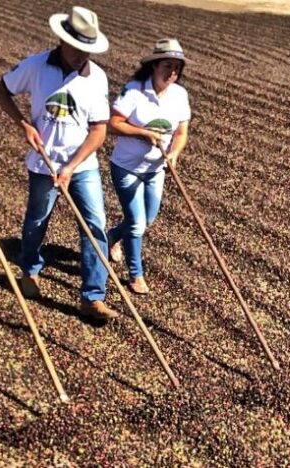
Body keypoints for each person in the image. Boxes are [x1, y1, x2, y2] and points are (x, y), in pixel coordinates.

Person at [0, 6, 117, 321]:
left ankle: (92, 297)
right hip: (43, 164)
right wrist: (24, 124)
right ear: (61, 40)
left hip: (82, 165)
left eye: (87, 49)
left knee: (94, 226)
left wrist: (72, 167)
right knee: (37, 221)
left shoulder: (96, 77)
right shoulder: (35, 66)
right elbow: (0, 89)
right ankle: (30, 270)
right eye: (76, 47)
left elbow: (99, 130)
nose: (81, 55)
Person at [107, 38, 191, 294]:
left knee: (147, 219)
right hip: (127, 166)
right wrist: (142, 133)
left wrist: (175, 153)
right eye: (167, 65)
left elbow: (181, 132)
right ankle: (136, 275)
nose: (172, 72)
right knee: (136, 223)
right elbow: (113, 123)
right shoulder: (134, 91)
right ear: (154, 66)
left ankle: (111, 237)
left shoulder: (179, 95)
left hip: (156, 169)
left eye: (177, 67)